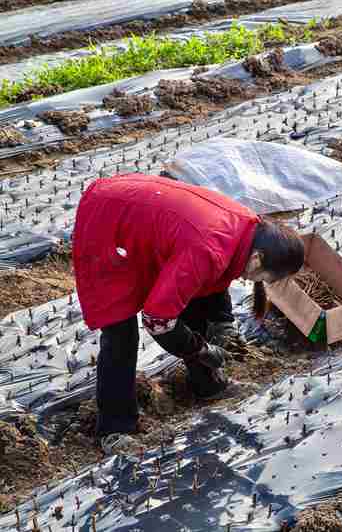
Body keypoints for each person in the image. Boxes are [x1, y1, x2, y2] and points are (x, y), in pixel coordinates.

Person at [73, 174, 305, 454]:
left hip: (146, 209)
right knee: (120, 333)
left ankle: (208, 385)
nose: (251, 281)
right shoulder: (208, 246)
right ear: (257, 258)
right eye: (263, 276)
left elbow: (211, 279)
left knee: (192, 295)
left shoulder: (246, 229)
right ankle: (114, 428)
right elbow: (157, 320)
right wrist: (201, 349)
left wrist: (223, 322)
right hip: (107, 219)